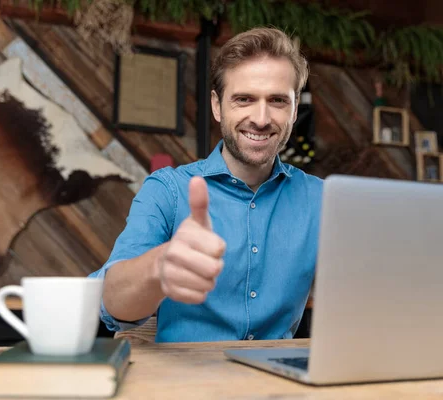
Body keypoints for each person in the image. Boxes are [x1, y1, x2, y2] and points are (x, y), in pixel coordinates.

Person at [88, 27, 323, 342]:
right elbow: (111, 302)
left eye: (278, 101)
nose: (262, 118)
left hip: (278, 386)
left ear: (294, 110)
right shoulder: (168, 190)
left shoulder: (321, 199)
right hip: (186, 385)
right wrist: (159, 266)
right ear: (217, 106)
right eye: (244, 99)